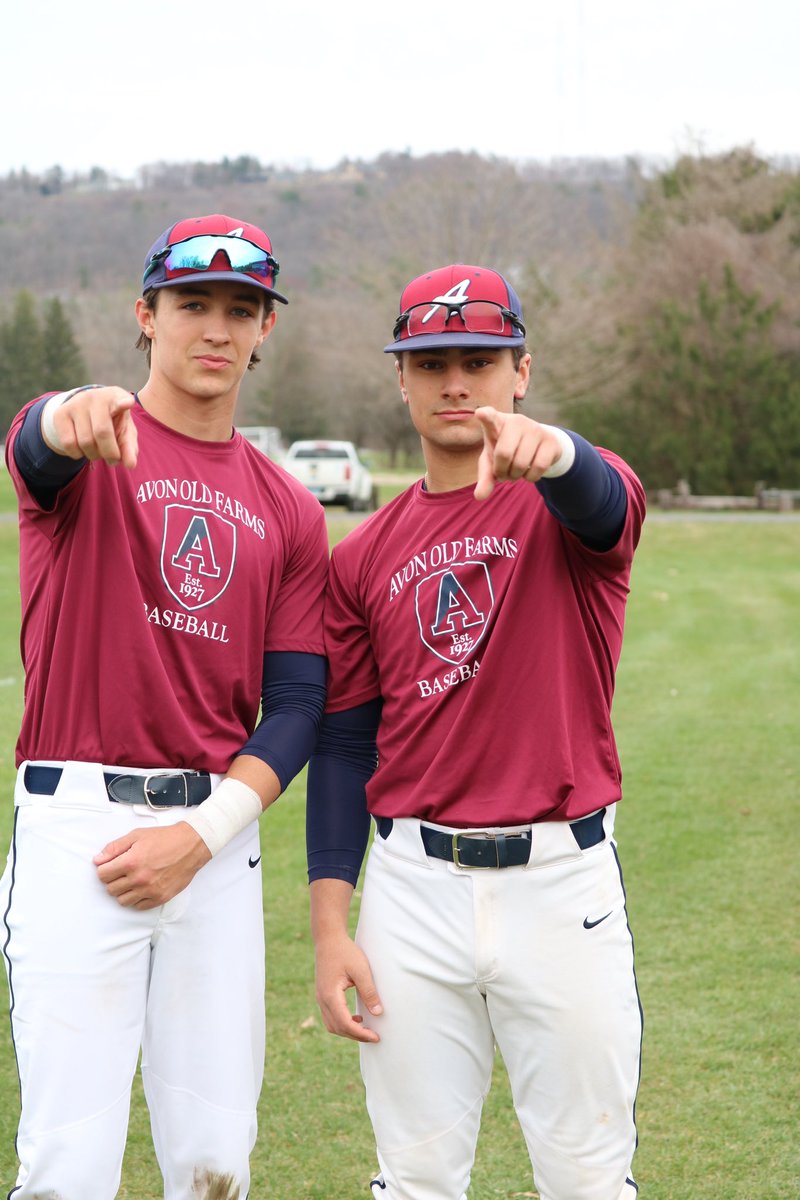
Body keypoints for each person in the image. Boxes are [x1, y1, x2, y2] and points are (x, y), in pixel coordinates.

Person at [1, 214, 329, 1200]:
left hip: (214, 843)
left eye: (241, 309)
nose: (216, 328)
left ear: (265, 329)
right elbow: (35, 442)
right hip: (79, 831)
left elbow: (298, 705)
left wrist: (201, 834)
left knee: (215, 1164)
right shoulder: (91, 444)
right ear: (146, 315)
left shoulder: (288, 506)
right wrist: (68, 414)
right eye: (192, 304)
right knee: (68, 1164)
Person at [306, 264, 646, 1200]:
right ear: (402, 381)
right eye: (432, 362)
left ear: (520, 371)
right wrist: (331, 926)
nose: (457, 382)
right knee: (414, 1179)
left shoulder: (577, 500)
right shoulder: (364, 552)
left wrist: (554, 452)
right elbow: (342, 746)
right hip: (413, 890)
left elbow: (603, 506)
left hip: (560, 879)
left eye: (481, 361)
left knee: (587, 1181)